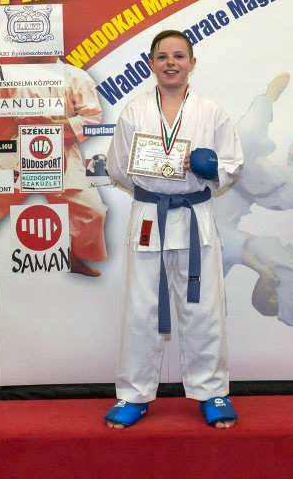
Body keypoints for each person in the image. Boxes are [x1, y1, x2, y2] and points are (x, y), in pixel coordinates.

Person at [104, 29, 243, 429]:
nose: (171, 63)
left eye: (179, 56)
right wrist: (153, 183)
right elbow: (117, 168)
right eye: (163, 56)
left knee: (204, 308)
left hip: (195, 216)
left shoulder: (211, 112)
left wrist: (210, 168)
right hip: (150, 215)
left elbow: (233, 164)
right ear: (151, 63)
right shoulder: (134, 111)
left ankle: (212, 391)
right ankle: (134, 394)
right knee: (141, 308)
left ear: (192, 63)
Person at [0, 13, 107, 278]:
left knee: (93, 211)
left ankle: (77, 255)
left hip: (61, 150)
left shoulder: (76, 77)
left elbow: (93, 119)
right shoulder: (16, 74)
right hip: (22, 147)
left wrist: (61, 124)